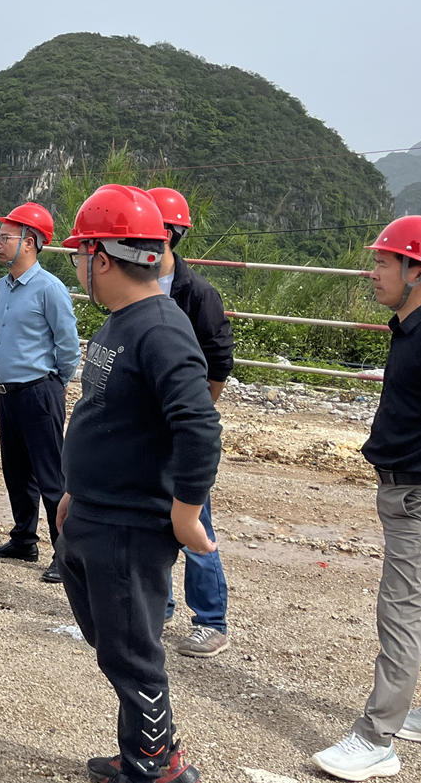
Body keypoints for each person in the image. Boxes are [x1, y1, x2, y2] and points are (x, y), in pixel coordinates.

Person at [311, 216, 421, 782]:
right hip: (416, 491)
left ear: (418, 271)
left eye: (384, 262)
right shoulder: (413, 329)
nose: (374, 272)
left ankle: (376, 739)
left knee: (402, 613)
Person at [55, 184, 222, 783]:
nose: (77, 265)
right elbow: (106, 413)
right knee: (117, 645)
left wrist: (186, 512)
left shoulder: (161, 329)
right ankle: (145, 751)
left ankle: (155, 766)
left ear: (102, 257)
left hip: (129, 524)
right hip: (96, 510)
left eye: (80, 253)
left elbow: (199, 425)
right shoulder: (122, 320)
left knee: (132, 652)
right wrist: (75, 489)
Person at [147, 187, 236, 659]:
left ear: (167, 234)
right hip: (146, 422)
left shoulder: (197, 294)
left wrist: (193, 409)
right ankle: (158, 604)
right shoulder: (136, 282)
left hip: (180, 425)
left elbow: (219, 361)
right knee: (150, 514)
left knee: (193, 516)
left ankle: (211, 620)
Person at [0, 201, 81, 584]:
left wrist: (57, 382)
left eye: (5, 237)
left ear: (29, 242)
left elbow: (68, 345)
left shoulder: (49, 288)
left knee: (51, 475)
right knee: (16, 471)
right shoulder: (2, 287)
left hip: (39, 391)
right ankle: (24, 539)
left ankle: (65, 553)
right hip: (7, 393)